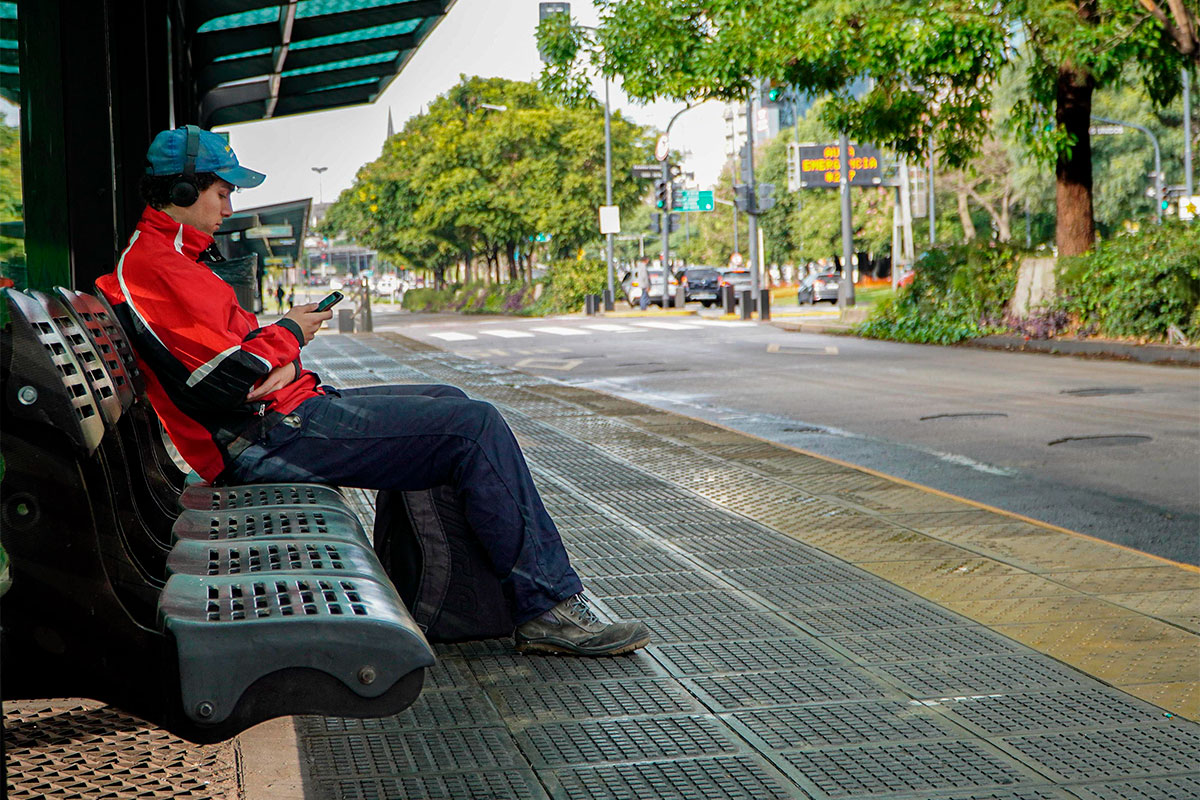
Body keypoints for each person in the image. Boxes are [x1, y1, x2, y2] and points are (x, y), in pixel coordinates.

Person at [96, 125, 650, 657]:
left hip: (279, 418)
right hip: (261, 441)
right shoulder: (155, 268)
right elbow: (229, 379)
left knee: (448, 401)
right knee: (473, 427)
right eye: (222, 192)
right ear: (186, 190)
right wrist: (289, 334)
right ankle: (548, 606)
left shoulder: (174, 263)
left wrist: (278, 356)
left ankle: (434, 603)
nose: (229, 207)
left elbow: (241, 362)